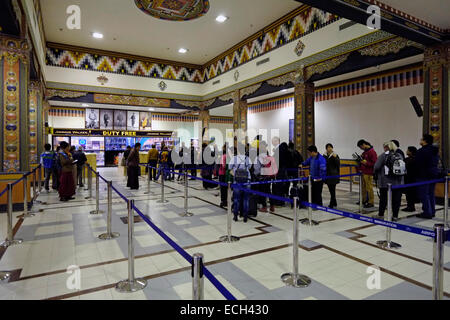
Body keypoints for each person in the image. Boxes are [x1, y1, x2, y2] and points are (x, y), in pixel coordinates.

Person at [374, 141, 404, 221]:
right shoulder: (399, 155)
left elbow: (376, 167)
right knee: (396, 200)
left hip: (385, 182)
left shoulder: (383, 156)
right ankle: (395, 216)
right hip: (398, 182)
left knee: (383, 199)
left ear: (386, 147)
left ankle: (381, 215)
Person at [415, 134, 440, 219]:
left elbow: (418, 164)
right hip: (433, 175)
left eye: (421, 139)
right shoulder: (434, 151)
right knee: (431, 194)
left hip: (423, 175)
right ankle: (432, 211)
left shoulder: (421, 151)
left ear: (424, 141)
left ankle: (427, 212)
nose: (420, 140)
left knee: (424, 195)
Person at [229, 145, 252, 222]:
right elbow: (249, 167)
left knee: (236, 199)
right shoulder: (247, 158)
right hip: (247, 180)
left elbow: (229, 167)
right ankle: (245, 217)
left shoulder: (234, 158)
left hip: (237, 180)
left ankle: (235, 216)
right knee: (246, 199)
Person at [256, 141, 277, 213]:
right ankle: (272, 206)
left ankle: (264, 207)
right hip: (269, 176)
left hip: (262, 176)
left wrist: (256, 174)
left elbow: (257, 168)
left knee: (262, 192)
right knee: (268, 191)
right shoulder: (269, 156)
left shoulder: (259, 157)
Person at [357, 140, 378, 208]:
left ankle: (371, 202)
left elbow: (375, 163)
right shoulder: (365, 152)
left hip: (369, 173)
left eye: (361, 147)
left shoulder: (372, 152)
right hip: (364, 172)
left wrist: (366, 163)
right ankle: (364, 200)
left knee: (369, 188)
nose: (361, 149)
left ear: (364, 144)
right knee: (363, 187)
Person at [271, 137, 291, 207]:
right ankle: (282, 201)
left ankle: (278, 202)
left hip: (279, 171)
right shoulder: (287, 152)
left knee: (278, 186)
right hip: (284, 171)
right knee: (282, 186)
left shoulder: (278, 151)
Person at [323, 143, 340, 209]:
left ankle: (331, 203)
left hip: (333, 175)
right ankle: (334, 202)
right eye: (328, 147)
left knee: (332, 189)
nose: (329, 148)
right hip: (327, 175)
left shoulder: (335, 155)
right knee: (331, 190)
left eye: (330, 147)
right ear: (326, 148)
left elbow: (338, 164)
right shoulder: (324, 155)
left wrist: (335, 158)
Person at [402, 146, 419, 212]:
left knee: (410, 193)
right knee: (408, 193)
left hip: (411, 179)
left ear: (411, 152)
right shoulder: (408, 159)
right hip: (409, 178)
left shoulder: (412, 160)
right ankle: (410, 206)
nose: (406, 151)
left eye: (408, 150)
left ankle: (411, 206)